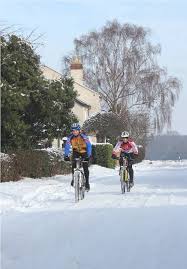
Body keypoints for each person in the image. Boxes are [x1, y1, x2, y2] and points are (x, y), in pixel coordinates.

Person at [64, 123, 92, 191]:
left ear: (79, 130)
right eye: (73, 131)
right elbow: (67, 146)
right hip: (76, 151)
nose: (74, 132)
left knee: (85, 167)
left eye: (76, 130)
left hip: (84, 152)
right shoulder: (70, 137)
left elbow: (89, 145)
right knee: (73, 165)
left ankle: (87, 183)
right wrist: (66, 155)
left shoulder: (84, 136)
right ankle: (74, 178)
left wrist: (88, 155)